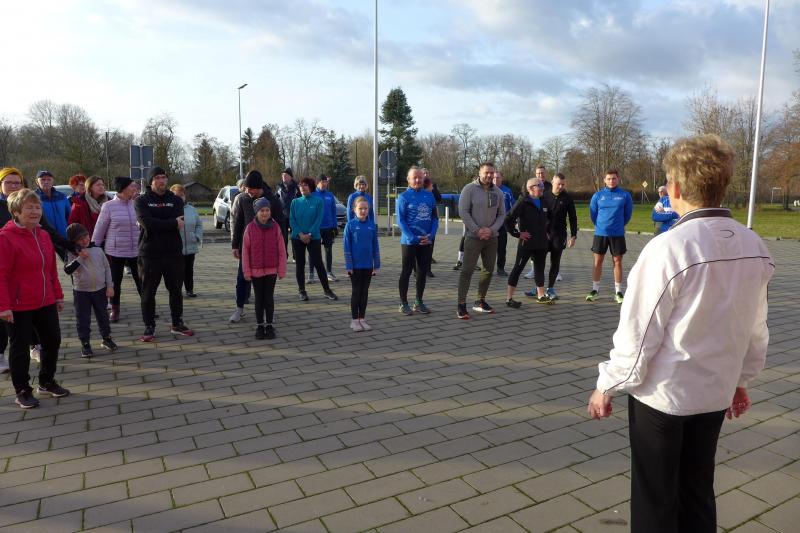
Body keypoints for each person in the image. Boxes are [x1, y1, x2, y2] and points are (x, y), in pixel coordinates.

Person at [588, 134, 774, 533]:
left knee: (656, 499)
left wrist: (607, 384)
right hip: (715, 391)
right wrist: (741, 380)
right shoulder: (754, 244)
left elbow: (639, 334)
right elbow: (755, 328)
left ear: (674, 188)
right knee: (697, 491)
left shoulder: (669, 248)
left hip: (665, 397)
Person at [0, 189, 69, 408]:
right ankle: (22, 390)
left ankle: (46, 381)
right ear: (16, 212)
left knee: (52, 341)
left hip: (45, 300)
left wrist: (58, 295)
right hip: (18, 305)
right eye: (29, 207)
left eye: (37, 207)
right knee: (20, 348)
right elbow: (1, 275)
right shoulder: (5, 238)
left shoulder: (43, 235)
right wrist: (3, 306)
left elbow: (51, 270)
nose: (35, 211)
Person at [134, 166, 193, 342]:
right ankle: (149, 326)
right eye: (157, 178)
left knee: (175, 290)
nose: (161, 181)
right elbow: (147, 223)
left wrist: (160, 223)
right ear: (151, 181)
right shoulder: (141, 201)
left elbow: (179, 222)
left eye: (164, 177)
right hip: (150, 253)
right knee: (148, 292)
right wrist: (170, 223)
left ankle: (177, 323)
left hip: (173, 252)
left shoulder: (176, 200)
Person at [229, 170, 284, 322]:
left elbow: (281, 225)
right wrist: (235, 245)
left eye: (250, 189)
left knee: (265, 285)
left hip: (268, 251)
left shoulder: (272, 200)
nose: (247, 191)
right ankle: (239, 308)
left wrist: (283, 250)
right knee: (242, 279)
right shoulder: (242, 198)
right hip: (247, 248)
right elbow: (238, 222)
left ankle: (267, 312)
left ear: (258, 187)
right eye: (246, 188)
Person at [456, 162, 506, 319]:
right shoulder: (469, 189)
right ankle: (461, 304)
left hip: (491, 237)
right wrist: (477, 230)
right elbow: (463, 212)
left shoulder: (498, 192)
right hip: (473, 237)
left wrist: (491, 230)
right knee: (467, 271)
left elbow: (502, 214)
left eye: (492, 173)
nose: (489, 175)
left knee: (488, 270)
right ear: (480, 173)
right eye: (486, 172)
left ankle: (480, 301)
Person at [92, 176, 142, 323]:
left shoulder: (137, 204)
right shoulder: (108, 206)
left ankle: (148, 307)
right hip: (115, 251)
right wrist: (94, 247)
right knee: (115, 282)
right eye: (132, 186)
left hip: (137, 250)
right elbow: (100, 229)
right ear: (123, 188)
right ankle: (115, 309)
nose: (135, 189)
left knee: (141, 280)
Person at [64, 223, 117, 357]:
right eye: (80, 239)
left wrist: (110, 286)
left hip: (100, 290)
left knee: (103, 316)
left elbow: (107, 268)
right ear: (74, 241)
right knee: (83, 319)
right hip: (81, 292)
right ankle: (85, 343)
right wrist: (80, 258)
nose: (84, 240)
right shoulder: (72, 253)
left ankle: (106, 338)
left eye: (86, 236)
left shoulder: (97, 250)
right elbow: (67, 270)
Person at [242, 197, 286, 340]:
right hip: (255, 271)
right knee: (259, 299)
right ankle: (260, 325)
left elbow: (281, 249)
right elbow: (245, 252)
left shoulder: (275, 227)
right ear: (256, 212)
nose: (265, 213)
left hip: (272, 270)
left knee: (269, 298)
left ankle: (269, 325)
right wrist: (246, 271)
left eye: (267, 210)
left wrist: (281, 269)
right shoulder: (250, 228)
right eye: (262, 210)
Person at [586, 169, 633, 303]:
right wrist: (601, 226)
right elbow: (593, 215)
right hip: (600, 233)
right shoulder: (597, 196)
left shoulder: (625, 195)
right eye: (609, 179)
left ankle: (618, 292)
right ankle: (595, 290)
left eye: (614, 178)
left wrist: (618, 225)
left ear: (618, 179)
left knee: (617, 262)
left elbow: (627, 215)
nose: (611, 181)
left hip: (617, 234)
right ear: (604, 180)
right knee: (597, 262)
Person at [504, 178, 553, 307]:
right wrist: (517, 233)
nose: (543, 188)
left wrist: (547, 231)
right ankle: (509, 298)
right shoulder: (523, 202)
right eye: (539, 185)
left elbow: (550, 218)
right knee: (518, 268)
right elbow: (508, 219)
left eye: (542, 185)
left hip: (541, 243)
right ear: (531, 188)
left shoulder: (544, 201)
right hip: (527, 243)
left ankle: (541, 296)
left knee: (539, 269)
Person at [396, 167, 438, 315]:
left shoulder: (429, 196)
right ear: (408, 179)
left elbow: (435, 218)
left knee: (422, 272)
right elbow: (400, 220)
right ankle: (403, 303)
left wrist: (431, 235)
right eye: (414, 177)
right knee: (406, 272)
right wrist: (412, 237)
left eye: (420, 177)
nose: (418, 180)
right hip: (409, 241)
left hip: (426, 241)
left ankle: (418, 302)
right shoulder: (403, 197)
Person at [290, 177, 338, 302]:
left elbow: (318, 219)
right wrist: (300, 234)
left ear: (311, 187)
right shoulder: (295, 202)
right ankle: (302, 291)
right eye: (301, 185)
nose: (302, 187)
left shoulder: (318, 201)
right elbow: (292, 220)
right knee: (300, 264)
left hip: (314, 237)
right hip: (297, 238)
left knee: (318, 263)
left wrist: (309, 234)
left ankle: (327, 290)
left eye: (305, 185)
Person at [536, 173, 577, 300]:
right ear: (552, 182)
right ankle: (539, 288)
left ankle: (550, 288)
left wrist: (573, 236)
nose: (560, 187)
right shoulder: (544, 195)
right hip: (544, 234)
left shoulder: (567, 198)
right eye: (558, 184)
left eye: (563, 184)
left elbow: (573, 217)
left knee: (555, 262)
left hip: (559, 235)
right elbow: (536, 215)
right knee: (540, 262)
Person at [343, 196, 380, 332]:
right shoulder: (350, 225)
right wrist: (349, 266)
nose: (363, 211)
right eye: (360, 208)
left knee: (365, 292)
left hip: (368, 266)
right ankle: (354, 320)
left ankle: (362, 318)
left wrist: (376, 265)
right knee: (356, 292)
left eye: (366, 208)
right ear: (354, 210)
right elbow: (346, 247)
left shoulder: (372, 226)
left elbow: (375, 246)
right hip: (355, 267)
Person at [170, 184, 203, 298]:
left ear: (185, 196)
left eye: (182, 195)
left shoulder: (192, 209)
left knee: (189, 269)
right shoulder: (170, 209)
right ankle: (176, 291)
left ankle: (189, 290)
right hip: (176, 247)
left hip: (191, 245)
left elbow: (199, 224)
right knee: (177, 271)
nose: (180, 197)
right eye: (177, 195)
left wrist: (197, 236)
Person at [312, 175, 339, 282]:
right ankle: (311, 274)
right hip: (316, 228)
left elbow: (333, 211)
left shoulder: (330, 195)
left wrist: (335, 226)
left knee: (328, 250)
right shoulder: (313, 194)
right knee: (314, 251)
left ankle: (329, 272)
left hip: (328, 227)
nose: (324, 184)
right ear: (317, 183)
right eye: (322, 182)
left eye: (325, 182)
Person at [34, 170, 71, 238]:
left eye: (49, 179)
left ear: (53, 181)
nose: (46, 182)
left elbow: (69, 217)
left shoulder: (62, 197)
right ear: (37, 182)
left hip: (64, 236)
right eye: (43, 179)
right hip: (44, 238)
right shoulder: (33, 198)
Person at [493, 170, 514, 277]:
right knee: (487, 249)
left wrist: (510, 221)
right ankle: (487, 268)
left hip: (502, 225)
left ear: (502, 178)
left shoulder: (507, 191)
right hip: (488, 225)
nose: (495, 179)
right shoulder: (486, 189)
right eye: (494, 177)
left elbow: (512, 208)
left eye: (498, 177)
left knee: (501, 249)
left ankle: (500, 268)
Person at [276, 167, 299, 258]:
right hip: (282, 216)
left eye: (286, 175)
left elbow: (300, 201)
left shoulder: (296, 188)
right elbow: (275, 200)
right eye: (282, 175)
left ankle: (295, 256)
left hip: (294, 216)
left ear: (291, 177)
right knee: (283, 237)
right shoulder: (279, 188)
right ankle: (284, 255)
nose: (284, 176)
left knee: (295, 237)